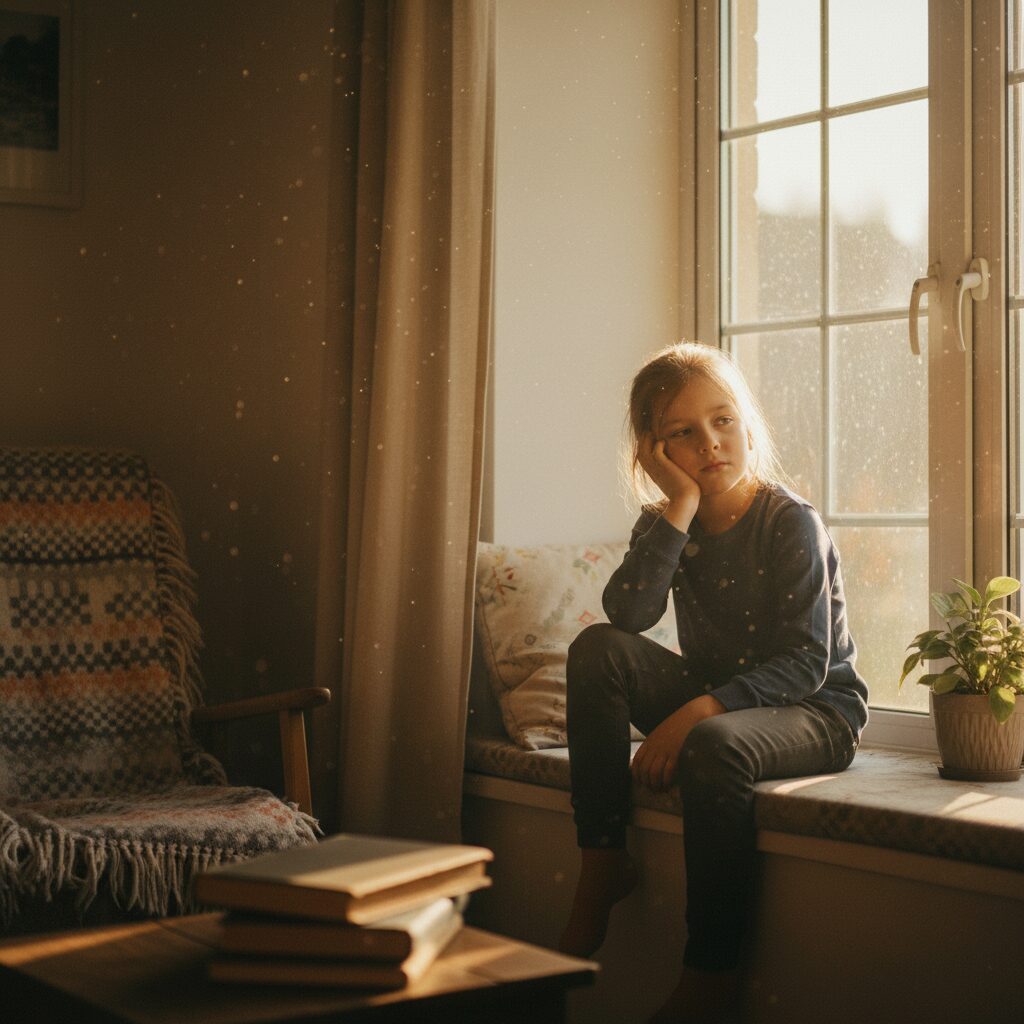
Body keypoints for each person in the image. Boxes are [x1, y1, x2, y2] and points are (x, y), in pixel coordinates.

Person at [557, 341, 869, 1024]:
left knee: (716, 745)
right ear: (653, 451)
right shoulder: (670, 518)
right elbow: (627, 616)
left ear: (746, 422)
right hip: (723, 700)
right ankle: (602, 864)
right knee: (596, 651)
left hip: (813, 710)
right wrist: (680, 505)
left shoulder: (790, 521)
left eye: (722, 421)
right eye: (682, 434)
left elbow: (805, 662)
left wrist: (701, 709)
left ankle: (711, 974)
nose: (710, 443)